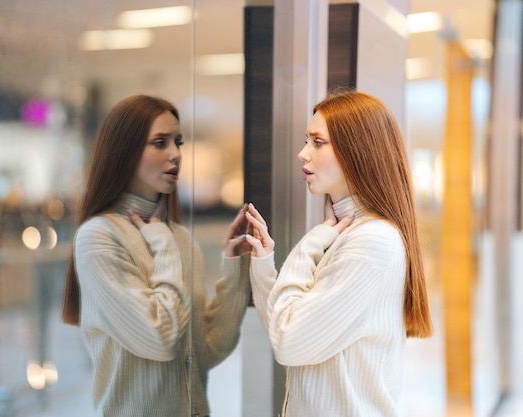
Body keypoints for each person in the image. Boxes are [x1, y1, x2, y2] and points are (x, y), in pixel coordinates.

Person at [61, 94, 252, 417]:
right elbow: (160, 340)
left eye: (178, 142)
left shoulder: (179, 239)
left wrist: (234, 269)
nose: (176, 154)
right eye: (160, 142)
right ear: (125, 151)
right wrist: (161, 241)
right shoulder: (99, 236)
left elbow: (206, 350)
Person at [245, 90, 433, 417]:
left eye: (318, 143)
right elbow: (286, 329)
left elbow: (290, 343)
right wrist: (263, 269)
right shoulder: (351, 234)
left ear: (357, 150)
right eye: (307, 141)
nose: (303, 154)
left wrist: (310, 244)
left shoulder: (371, 241)